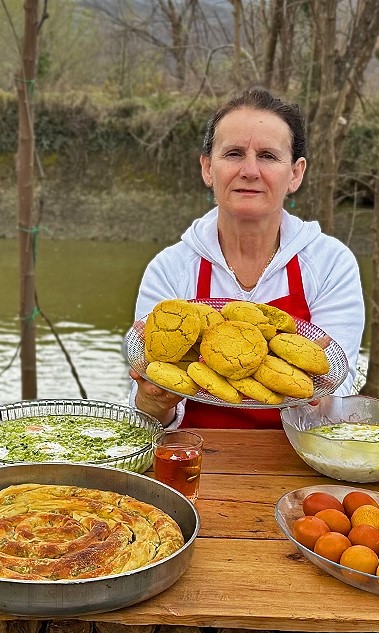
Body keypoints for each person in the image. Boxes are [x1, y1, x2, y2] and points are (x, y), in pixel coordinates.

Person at [130, 87, 364, 429]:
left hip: (299, 461)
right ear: (209, 168)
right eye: (234, 153)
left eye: (268, 155)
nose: (250, 170)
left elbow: (338, 403)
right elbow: (145, 420)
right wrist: (152, 400)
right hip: (195, 462)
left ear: (295, 174)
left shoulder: (331, 264)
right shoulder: (170, 269)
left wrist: (322, 395)